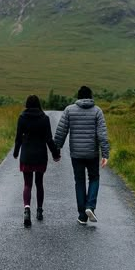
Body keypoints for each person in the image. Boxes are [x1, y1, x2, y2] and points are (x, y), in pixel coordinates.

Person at [54, 85, 110, 225]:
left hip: (76, 154)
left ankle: (82, 215)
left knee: (79, 181)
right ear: (91, 97)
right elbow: (102, 135)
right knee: (94, 178)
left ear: (78, 97)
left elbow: (62, 131)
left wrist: (57, 149)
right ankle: (90, 206)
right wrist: (105, 153)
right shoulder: (97, 111)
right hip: (92, 153)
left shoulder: (69, 110)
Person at [14, 94, 61, 227]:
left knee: (27, 184)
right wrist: (55, 153)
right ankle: (39, 211)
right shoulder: (44, 118)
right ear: (39, 104)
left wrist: (16, 152)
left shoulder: (22, 118)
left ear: (27, 104)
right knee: (39, 183)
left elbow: (18, 138)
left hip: (27, 155)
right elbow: (48, 139)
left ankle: (27, 209)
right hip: (40, 155)